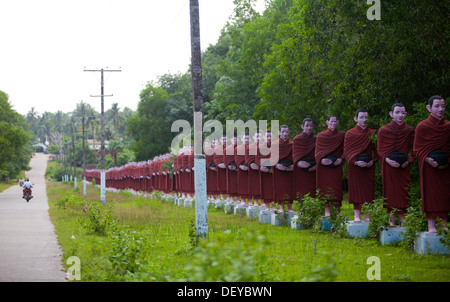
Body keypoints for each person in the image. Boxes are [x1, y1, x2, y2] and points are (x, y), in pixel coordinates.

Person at [413, 95, 450, 233]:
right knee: (431, 194)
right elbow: (417, 149)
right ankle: (431, 225)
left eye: (443, 106)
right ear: (429, 108)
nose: (440, 109)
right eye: (437, 106)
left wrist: (446, 161)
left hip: (445, 168)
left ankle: (444, 224)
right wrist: (428, 159)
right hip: (429, 167)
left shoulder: (448, 126)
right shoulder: (422, 126)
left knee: (445, 194)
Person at [378, 103, 415, 226]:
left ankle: (403, 219)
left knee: (403, 191)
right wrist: (387, 160)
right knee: (390, 191)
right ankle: (391, 219)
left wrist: (408, 161)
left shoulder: (409, 130)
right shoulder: (384, 130)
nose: (400, 115)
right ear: (391, 114)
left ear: (405, 114)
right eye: (397, 112)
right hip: (389, 165)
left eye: (403, 112)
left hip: (403, 166)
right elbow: (380, 150)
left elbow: (415, 150)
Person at [344, 109, 379, 222]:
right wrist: (355, 162)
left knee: (368, 190)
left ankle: (367, 215)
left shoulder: (372, 132)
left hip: (368, 166)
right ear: (356, 119)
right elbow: (347, 152)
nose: (364, 120)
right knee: (356, 189)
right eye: (361, 117)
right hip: (355, 166)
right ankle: (357, 215)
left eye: (366, 117)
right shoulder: (350, 133)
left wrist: (372, 161)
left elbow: (378, 150)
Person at [315, 116, 345, 217]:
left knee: (337, 187)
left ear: (338, 122)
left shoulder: (342, 135)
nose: (333, 123)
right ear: (327, 122)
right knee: (325, 188)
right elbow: (317, 152)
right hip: (325, 166)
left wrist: (341, 159)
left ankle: (337, 210)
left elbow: (346, 150)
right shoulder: (321, 135)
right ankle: (327, 211)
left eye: (335, 121)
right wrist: (322, 160)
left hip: (336, 164)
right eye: (331, 121)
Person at [292, 118, 317, 201]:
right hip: (301, 169)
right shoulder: (297, 139)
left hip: (313, 168)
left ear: (313, 126)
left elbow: (318, 153)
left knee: (313, 189)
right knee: (302, 191)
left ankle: (313, 208)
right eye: (307, 126)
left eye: (311, 126)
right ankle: (302, 210)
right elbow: (294, 154)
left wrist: (316, 165)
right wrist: (298, 163)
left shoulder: (316, 139)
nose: (309, 128)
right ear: (302, 126)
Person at [272, 125, 294, 212]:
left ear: (289, 133)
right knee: (280, 187)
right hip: (279, 168)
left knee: (289, 187)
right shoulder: (275, 144)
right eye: (283, 132)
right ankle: (281, 207)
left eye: (286, 132)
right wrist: (276, 165)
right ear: (279, 133)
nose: (285, 134)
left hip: (290, 168)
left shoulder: (292, 144)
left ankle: (289, 207)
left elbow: (294, 156)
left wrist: (293, 166)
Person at [257, 130, 274, 210]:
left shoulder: (276, 146)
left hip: (274, 170)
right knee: (266, 188)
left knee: (274, 188)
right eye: (267, 136)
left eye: (270, 136)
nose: (269, 138)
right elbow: (258, 159)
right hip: (264, 171)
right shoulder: (260, 147)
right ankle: (267, 206)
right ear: (264, 137)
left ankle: (274, 206)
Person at [246, 131, 262, 206]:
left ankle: (264, 202)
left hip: (263, 169)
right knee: (255, 185)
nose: (258, 138)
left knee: (264, 186)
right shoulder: (249, 147)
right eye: (257, 137)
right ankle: (255, 202)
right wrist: (251, 163)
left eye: (260, 137)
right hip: (254, 170)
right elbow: (247, 158)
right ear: (253, 138)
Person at [236, 133, 250, 205]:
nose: (246, 140)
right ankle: (243, 200)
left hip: (251, 170)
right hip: (241, 169)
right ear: (242, 139)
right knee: (242, 185)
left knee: (251, 184)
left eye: (248, 138)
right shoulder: (238, 149)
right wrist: (240, 165)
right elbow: (237, 159)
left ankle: (250, 201)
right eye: (245, 138)